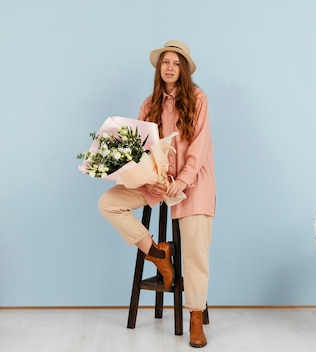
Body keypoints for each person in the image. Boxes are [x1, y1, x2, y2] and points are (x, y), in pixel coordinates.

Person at [98, 40, 215, 348]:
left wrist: (183, 180)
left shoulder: (198, 99)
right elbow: (142, 153)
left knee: (195, 253)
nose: (170, 67)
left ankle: (194, 316)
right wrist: (149, 182)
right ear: (159, 67)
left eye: (176, 63)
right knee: (109, 203)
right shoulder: (148, 104)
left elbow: (200, 147)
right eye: (165, 62)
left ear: (184, 69)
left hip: (194, 185)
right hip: (158, 185)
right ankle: (159, 254)